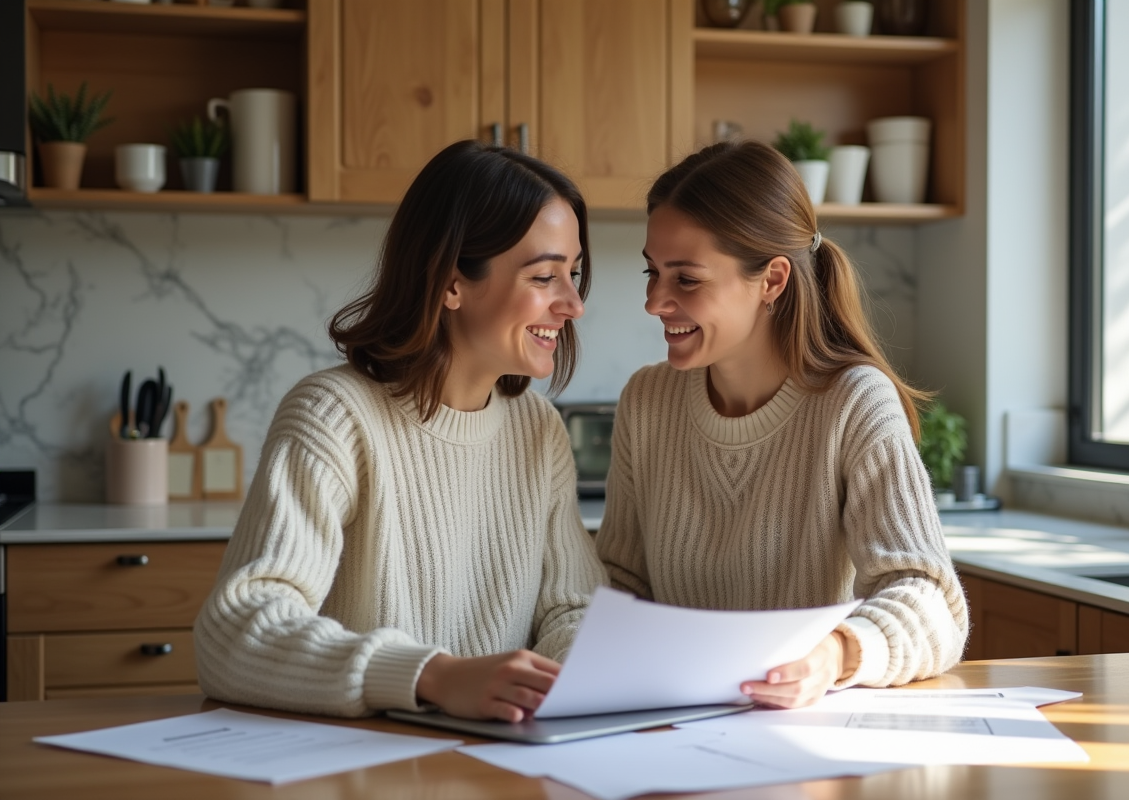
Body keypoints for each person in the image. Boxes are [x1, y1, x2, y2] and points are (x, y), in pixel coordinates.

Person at [194, 140, 607, 722]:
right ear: (451, 283)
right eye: (544, 276)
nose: (572, 304)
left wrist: (559, 683)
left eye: (574, 274)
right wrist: (432, 677)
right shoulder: (334, 415)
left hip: (499, 752)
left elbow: (572, 610)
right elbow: (234, 636)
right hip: (366, 760)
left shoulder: (537, 430)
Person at [595, 140, 968, 709]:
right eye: (653, 272)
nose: (654, 301)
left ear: (772, 280)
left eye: (686, 279)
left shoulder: (855, 403)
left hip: (802, 727)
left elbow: (931, 604)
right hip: (668, 724)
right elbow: (621, 583)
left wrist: (836, 654)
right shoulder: (647, 401)